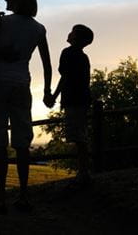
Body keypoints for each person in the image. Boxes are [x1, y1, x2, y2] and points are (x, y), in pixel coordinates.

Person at [0, 0, 53, 214]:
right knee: (23, 143)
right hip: (22, 85)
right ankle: (23, 196)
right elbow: (46, 64)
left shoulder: (1, 22)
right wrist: (47, 90)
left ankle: (0, 198)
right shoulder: (39, 29)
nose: (5, 0)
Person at [49, 24, 94, 187]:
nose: (69, 34)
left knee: (78, 137)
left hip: (74, 99)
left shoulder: (67, 53)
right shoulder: (83, 57)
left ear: (76, 38)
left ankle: (83, 172)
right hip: (81, 99)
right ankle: (84, 171)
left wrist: (54, 95)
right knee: (80, 135)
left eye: (72, 32)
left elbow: (65, 77)